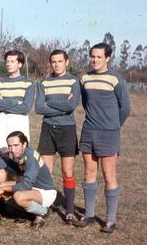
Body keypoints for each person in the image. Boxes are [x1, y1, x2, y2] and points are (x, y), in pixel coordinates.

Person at [73, 43, 130, 233]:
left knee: (109, 176)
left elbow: (125, 108)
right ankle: (89, 215)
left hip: (109, 134)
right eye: (92, 57)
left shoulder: (116, 79)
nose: (95, 60)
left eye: (99, 57)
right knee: (89, 173)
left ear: (107, 58)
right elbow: (87, 103)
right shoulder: (85, 78)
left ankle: (110, 220)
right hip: (89, 131)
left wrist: (112, 127)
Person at [35, 49, 80, 223]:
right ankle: (43, 208)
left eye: (60, 61)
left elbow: (71, 106)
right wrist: (62, 104)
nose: (56, 64)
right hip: (48, 129)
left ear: (67, 62)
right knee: (46, 172)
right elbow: (39, 108)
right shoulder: (44, 83)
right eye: (53, 62)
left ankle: (69, 210)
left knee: (67, 171)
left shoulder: (74, 81)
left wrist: (49, 102)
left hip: (67, 129)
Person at [0, 131, 57, 228]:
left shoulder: (31, 157)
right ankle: (23, 212)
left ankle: (43, 212)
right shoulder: (20, 154)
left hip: (45, 191)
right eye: (9, 146)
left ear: (24, 144)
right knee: (1, 185)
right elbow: (18, 169)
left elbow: (25, 185)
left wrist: (4, 189)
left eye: (16, 145)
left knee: (18, 196)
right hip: (32, 186)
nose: (12, 149)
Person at [0, 50, 34, 154]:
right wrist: (16, 102)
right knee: (1, 154)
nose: (9, 64)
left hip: (20, 120)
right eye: (7, 61)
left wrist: (3, 102)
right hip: (3, 120)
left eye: (12, 61)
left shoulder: (28, 83)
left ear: (20, 64)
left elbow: (26, 107)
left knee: (19, 157)